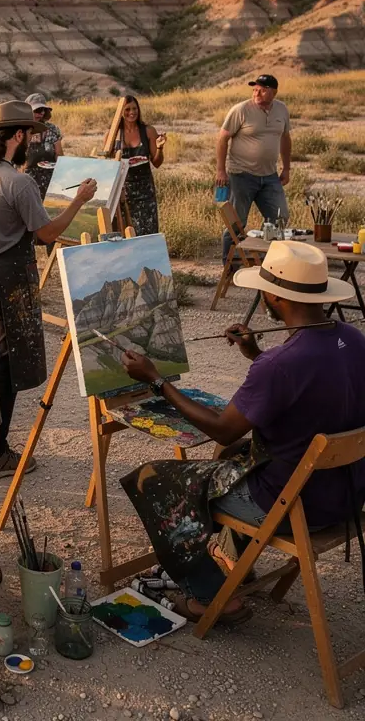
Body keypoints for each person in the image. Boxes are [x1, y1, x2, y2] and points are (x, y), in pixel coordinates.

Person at [120, 241, 365, 625]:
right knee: (230, 455)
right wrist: (256, 354)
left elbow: (220, 429)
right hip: (348, 495)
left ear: (273, 296)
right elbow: (307, 388)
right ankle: (233, 563)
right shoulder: (353, 340)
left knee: (153, 481)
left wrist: (156, 379)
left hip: (295, 504)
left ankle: (211, 596)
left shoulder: (281, 365)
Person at [0, 101, 97, 477]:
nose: (33, 142)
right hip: (7, 281)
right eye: (30, 135)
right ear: (18, 135)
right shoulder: (19, 182)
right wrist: (78, 201)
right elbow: (46, 234)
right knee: (7, 365)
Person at [216, 74, 291, 265]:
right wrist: (221, 171)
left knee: (280, 217)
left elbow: (285, 138)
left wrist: (287, 168)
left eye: (262, 89)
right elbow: (222, 139)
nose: (257, 92)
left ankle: (269, 261)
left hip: (270, 176)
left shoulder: (281, 109)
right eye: (255, 89)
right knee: (237, 223)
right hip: (241, 175)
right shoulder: (241, 110)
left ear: (274, 92)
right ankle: (230, 265)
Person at [115, 95, 167, 235]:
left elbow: (156, 163)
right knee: (125, 234)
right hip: (123, 193)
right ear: (120, 112)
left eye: (134, 108)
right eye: (127, 109)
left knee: (148, 234)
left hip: (145, 192)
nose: (132, 112)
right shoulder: (113, 135)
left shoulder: (148, 131)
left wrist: (160, 148)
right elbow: (109, 166)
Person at [22, 93, 63, 198]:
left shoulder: (53, 129)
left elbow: (59, 155)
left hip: (49, 178)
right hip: (26, 179)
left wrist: (60, 175)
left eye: (43, 110)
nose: (40, 114)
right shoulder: (20, 130)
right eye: (36, 110)